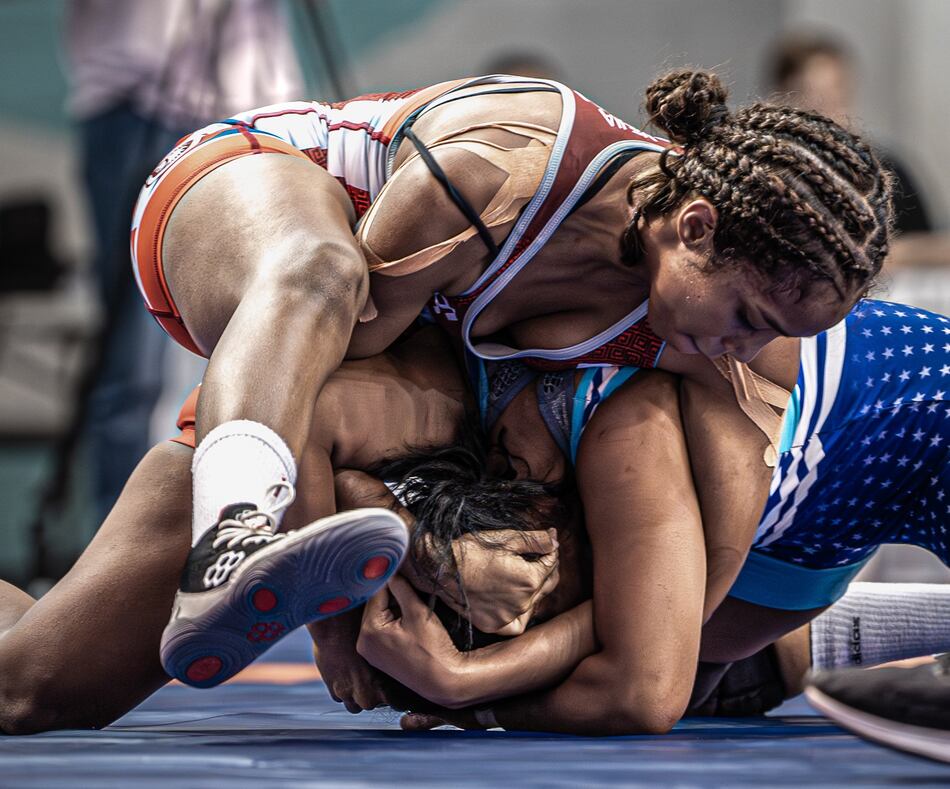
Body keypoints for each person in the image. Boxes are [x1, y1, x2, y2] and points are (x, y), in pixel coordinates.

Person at [131, 68, 893, 683]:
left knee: (33, 682)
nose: (741, 346)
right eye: (749, 316)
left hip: (269, 419)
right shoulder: (505, 166)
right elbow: (317, 394)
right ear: (694, 227)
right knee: (321, 269)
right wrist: (343, 617)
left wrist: (470, 667)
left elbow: (688, 601)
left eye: (777, 333)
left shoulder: (744, 352)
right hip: (242, 194)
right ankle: (229, 531)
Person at [350, 298, 949, 734]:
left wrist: (463, 686)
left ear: (534, 523)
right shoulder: (487, 439)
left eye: (537, 596)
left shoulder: (619, 433)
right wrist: (399, 553)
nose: (545, 611)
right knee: (695, 663)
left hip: (915, 404)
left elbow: (642, 695)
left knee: (643, 658)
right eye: (539, 614)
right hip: (813, 526)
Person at [66, 0, 305, 522]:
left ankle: (245, 528)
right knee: (133, 362)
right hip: (140, 96)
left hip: (259, 105)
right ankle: (122, 559)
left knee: (283, 332)